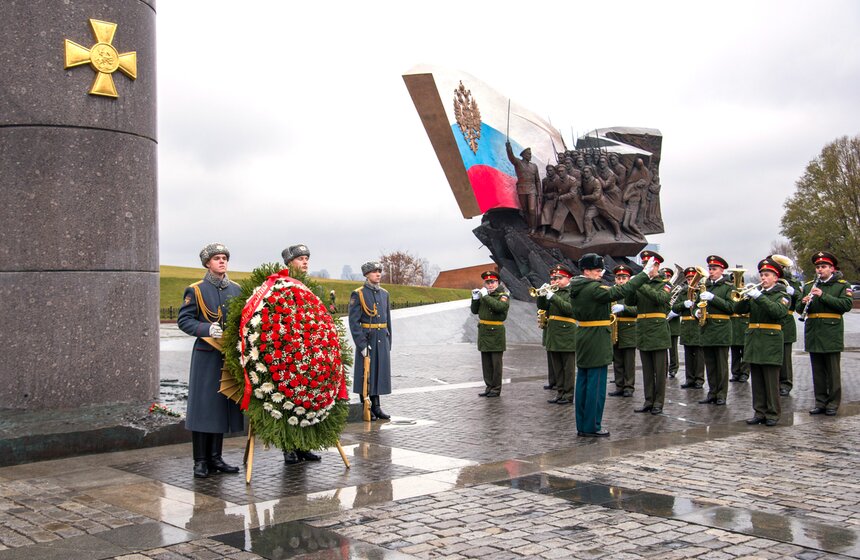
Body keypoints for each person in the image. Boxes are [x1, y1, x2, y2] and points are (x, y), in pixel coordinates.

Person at [177, 243, 244, 479]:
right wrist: (206, 328)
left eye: (224, 257)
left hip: (228, 355)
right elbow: (184, 321)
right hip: (206, 356)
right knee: (203, 408)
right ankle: (200, 461)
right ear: (207, 263)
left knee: (221, 408)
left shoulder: (236, 289)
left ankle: (216, 457)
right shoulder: (195, 290)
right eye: (217, 258)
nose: (222, 261)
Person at [567, 253, 652, 436]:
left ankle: (582, 425)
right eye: (597, 270)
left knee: (583, 382)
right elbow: (619, 292)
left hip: (584, 335)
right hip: (596, 338)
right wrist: (644, 274)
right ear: (587, 271)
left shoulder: (576, 287)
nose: (600, 273)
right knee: (596, 386)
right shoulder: (592, 288)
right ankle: (592, 426)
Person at [279, 244, 323, 465]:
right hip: (288, 355)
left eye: (307, 258)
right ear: (289, 263)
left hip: (308, 353)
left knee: (306, 400)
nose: (305, 262)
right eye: (300, 259)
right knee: (288, 402)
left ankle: (303, 445)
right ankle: (289, 447)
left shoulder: (310, 287)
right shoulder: (280, 285)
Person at [733, 257, 790, 426]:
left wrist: (758, 296)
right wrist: (744, 297)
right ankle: (759, 411)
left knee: (771, 380)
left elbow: (777, 312)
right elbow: (737, 309)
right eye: (762, 275)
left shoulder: (782, 295)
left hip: (771, 339)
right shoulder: (757, 294)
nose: (763, 278)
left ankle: (772, 413)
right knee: (757, 379)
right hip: (754, 339)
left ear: (776, 277)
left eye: (767, 275)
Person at [801, 251, 854, 416]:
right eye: (817, 267)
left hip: (831, 332)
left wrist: (823, 295)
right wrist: (802, 302)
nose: (820, 270)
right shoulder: (810, 285)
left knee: (832, 372)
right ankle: (820, 402)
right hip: (814, 331)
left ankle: (833, 403)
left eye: (823, 266)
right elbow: (797, 309)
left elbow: (845, 305)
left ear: (832, 268)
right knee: (817, 371)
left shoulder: (841, 285)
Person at [627, 251, 672, 415]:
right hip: (644, 330)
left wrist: (640, 284)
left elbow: (660, 299)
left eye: (649, 265)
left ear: (657, 266)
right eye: (644, 264)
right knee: (647, 370)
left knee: (659, 371)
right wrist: (631, 287)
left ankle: (658, 402)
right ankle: (648, 400)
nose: (646, 268)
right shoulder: (641, 283)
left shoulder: (665, 284)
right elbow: (630, 302)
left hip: (658, 331)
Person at [348, 261, 392, 420]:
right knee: (365, 374)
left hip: (381, 338)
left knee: (379, 373)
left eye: (379, 271)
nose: (378, 274)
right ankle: (366, 407)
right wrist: (361, 344)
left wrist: (389, 341)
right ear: (366, 275)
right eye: (374, 272)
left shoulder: (384, 293)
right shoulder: (358, 294)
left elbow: (388, 319)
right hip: (368, 339)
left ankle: (377, 406)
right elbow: (354, 322)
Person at [537, 265, 577, 405]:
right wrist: (542, 295)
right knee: (558, 367)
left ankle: (568, 394)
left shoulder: (573, 292)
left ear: (569, 279)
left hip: (567, 333)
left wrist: (553, 297)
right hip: (553, 334)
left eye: (560, 278)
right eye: (555, 278)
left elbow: (569, 309)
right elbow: (542, 307)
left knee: (568, 368)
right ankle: (560, 393)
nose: (557, 280)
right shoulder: (554, 292)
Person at [697, 255, 734, 406]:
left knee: (721, 365)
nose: (711, 271)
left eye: (714, 269)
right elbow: (696, 305)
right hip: (707, 328)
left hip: (721, 329)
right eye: (710, 269)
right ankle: (712, 392)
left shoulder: (728, 287)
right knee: (710, 365)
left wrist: (713, 298)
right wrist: (696, 313)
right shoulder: (705, 286)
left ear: (722, 270)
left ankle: (721, 394)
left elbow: (731, 308)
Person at [471, 271, 510, 397]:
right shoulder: (484, 295)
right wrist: (475, 299)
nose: (490, 285)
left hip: (496, 332)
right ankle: (489, 387)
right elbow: (475, 311)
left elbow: (499, 308)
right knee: (486, 363)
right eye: (487, 282)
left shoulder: (503, 295)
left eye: (492, 282)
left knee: (496, 363)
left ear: (497, 282)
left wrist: (485, 297)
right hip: (484, 331)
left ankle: (496, 388)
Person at [607, 265, 637, 398]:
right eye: (618, 278)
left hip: (629, 329)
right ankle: (619, 386)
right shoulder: (612, 292)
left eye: (624, 278)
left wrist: (624, 308)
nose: (620, 280)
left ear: (629, 279)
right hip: (615, 328)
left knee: (629, 361)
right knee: (617, 360)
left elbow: (638, 310)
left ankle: (629, 387)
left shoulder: (633, 292)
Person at [774, 257, 802, 396]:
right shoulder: (768, 280)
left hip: (787, 320)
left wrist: (794, 292)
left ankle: (785, 383)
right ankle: (773, 382)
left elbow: (801, 301)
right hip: (771, 322)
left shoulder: (792, 282)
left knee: (785, 356)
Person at [674, 267, 705, 389]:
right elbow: (675, 307)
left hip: (697, 325)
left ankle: (699, 379)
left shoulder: (701, 291)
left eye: (692, 278)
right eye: (688, 278)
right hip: (687, 326)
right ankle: (689, 378)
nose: (690, 280)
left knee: (699, 355)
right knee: (688, 354)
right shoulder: (683, 292)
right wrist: (683, 304)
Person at [505, 143, 541, 232]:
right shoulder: (518, 163)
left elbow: (537, 180)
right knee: (525, 210)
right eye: (529, 154)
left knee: (532, 209)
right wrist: (509, 148)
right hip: (522, 189)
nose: (530, 156)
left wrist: (539, 193)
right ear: (524, 156)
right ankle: (529, 226)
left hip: (532, 189)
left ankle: (533, 227)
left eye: (530, 154)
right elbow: (511, 157)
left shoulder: (534, 166)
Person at [661, 267, 681, 378]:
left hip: (672, 323)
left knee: (673, 348)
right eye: (665, 276)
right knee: (663, 348)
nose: (667, 278)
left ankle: (673, 368)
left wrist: (674, 311)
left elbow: (679, 304)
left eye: (668, 276)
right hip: (662, 322)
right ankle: (664, 368)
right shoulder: (661, 289)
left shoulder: (677, 290)